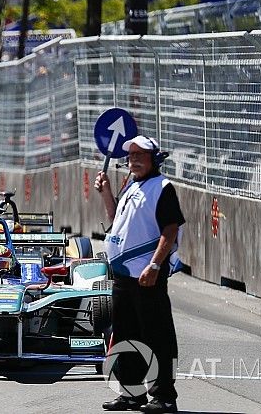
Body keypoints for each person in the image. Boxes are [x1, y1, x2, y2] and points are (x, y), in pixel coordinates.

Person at [94, 135, 184, 414]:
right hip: (123, 274)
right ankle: (132, 393)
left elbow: (170, 230)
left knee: (158, 336)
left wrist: (155, 265)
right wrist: (107, 192)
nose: (134, 160)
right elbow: (115, 221)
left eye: (140, 156)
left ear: (154, 158)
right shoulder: (131, 185)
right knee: (125, 335)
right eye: (131, 156)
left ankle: (165, 396)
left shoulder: (162, 187)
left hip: (147, 275)